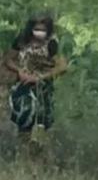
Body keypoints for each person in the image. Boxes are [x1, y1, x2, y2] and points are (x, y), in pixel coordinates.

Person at [3, 11, 68, 147]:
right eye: (37, 29)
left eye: (43, 30)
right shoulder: (21, 41)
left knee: (42, 119)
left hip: (42, 86)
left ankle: (39, 151)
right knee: (24, 116)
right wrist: (19, 71)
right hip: (23, 84)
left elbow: (62, 66)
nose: (39, 32)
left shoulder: (51, 44)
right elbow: (8, 60)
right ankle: (23, 150)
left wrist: (40, 77)